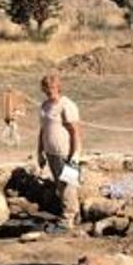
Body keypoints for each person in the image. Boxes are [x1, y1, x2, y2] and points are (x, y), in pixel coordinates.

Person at [36, 73, 82, 229]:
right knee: (60, 186)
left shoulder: (66, 105)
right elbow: (42, 130)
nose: (49, 91)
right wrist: (39, 152)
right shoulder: (45, 106)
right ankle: (74, 215)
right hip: (51, 151)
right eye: (46, 88)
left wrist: (75, 154)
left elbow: (75, 131)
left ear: (58, 87)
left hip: (65, 151)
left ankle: (68, 218)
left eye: (52, 87)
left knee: (68, 184)